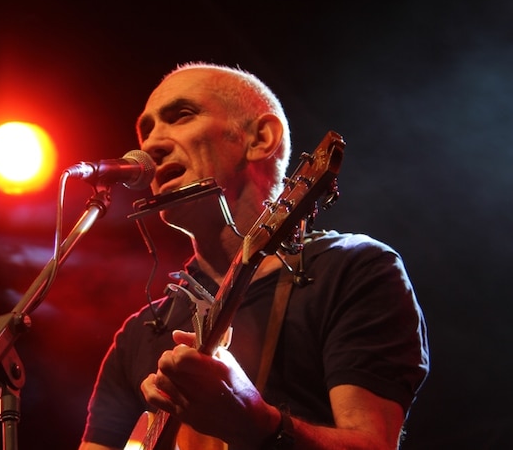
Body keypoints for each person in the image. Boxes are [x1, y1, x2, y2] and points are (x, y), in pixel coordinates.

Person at [78, 63, 429, 450]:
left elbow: (373, 445)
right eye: (146, 130)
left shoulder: (353, 269)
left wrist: (256, 421)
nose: (151, 146)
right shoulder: (141, 331)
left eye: (181, 116)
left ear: (260, 138)